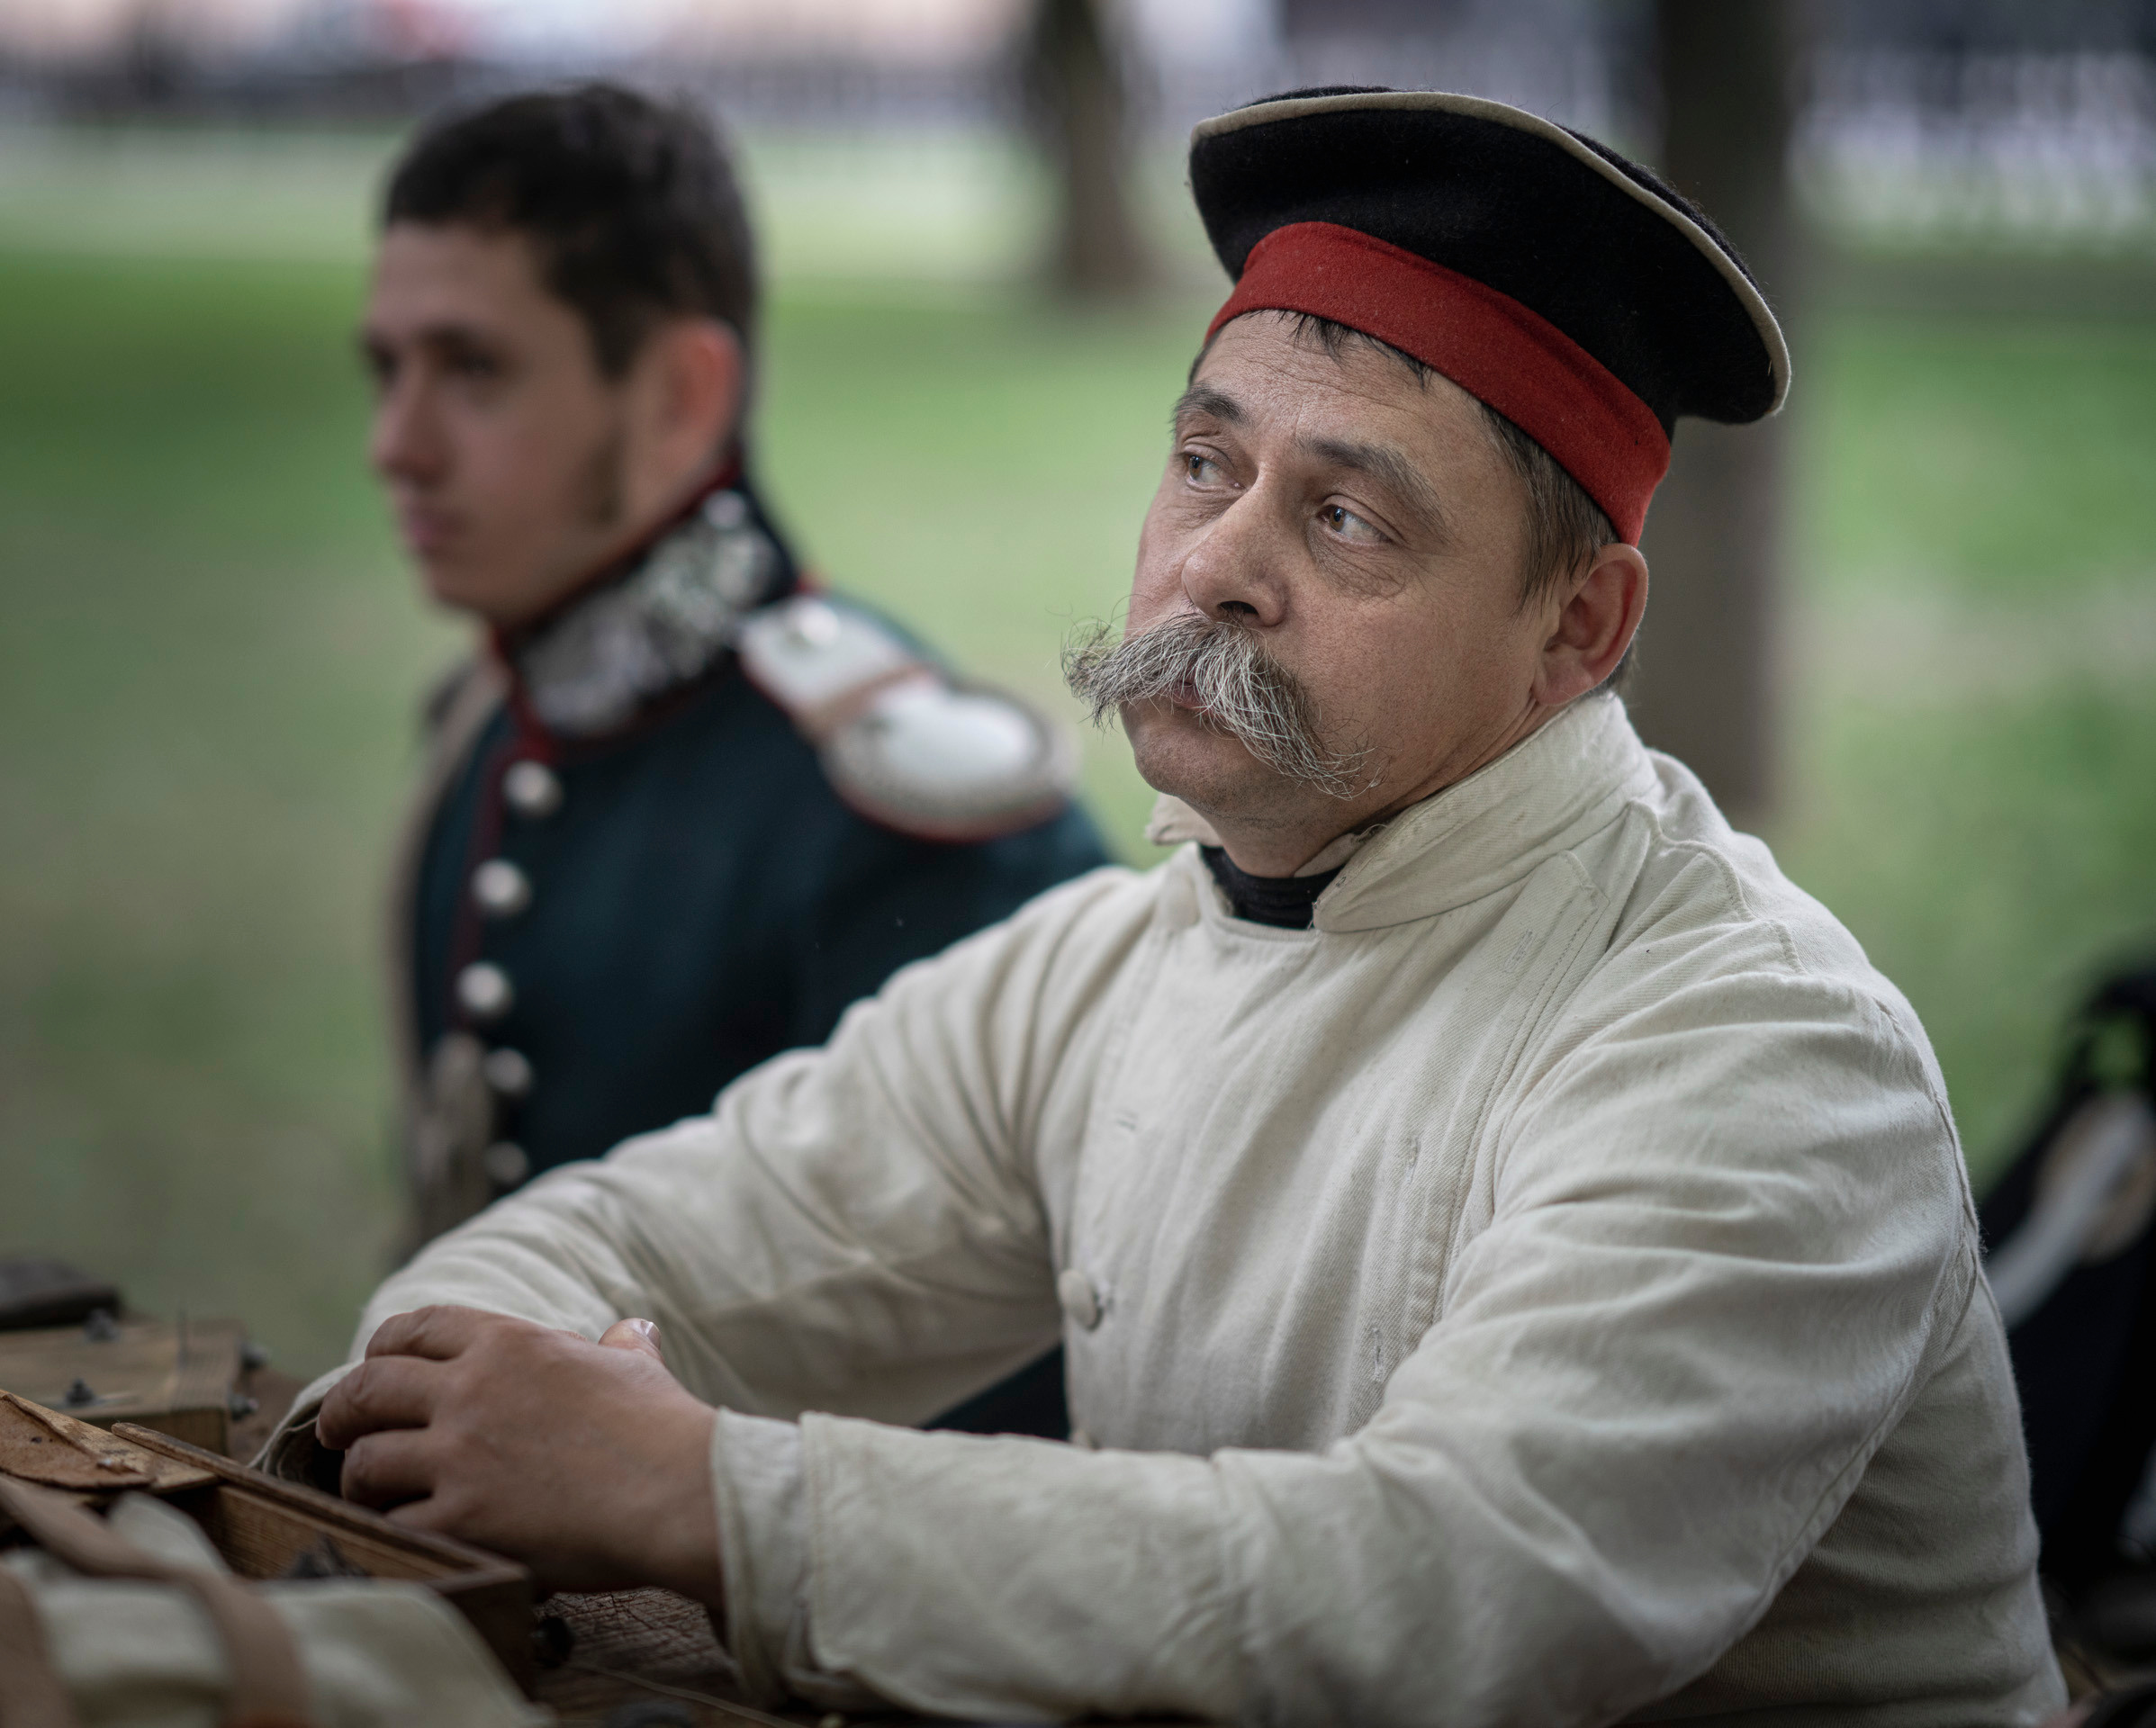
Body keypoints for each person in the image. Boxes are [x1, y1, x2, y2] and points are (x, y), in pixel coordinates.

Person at [284, 90, 2063, 1724]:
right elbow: (646, 1236)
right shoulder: (1117, 959)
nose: (1214, 564)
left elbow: (1449, 1600)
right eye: (1206, 463)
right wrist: (436, 1409)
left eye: (1348, 519)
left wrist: (711, 1497)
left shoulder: (1755, 1047)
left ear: (1576, 632)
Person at [358, 86, 1108, 1434]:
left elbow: (1012, 1405)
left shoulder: (910, 809)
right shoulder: (485, 726)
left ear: (680, 394)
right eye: (387, 368)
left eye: (471, 370)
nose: (395, 447)